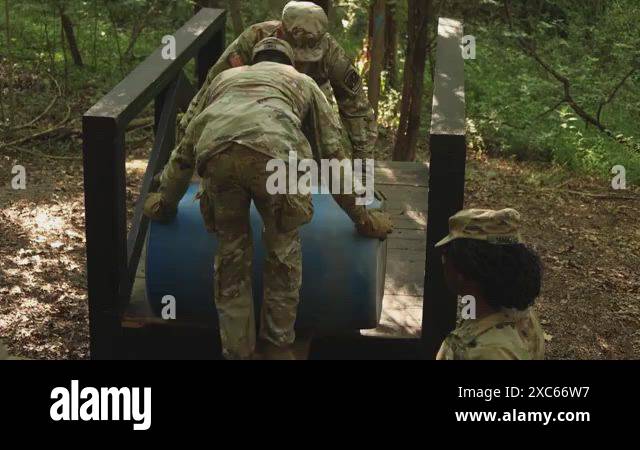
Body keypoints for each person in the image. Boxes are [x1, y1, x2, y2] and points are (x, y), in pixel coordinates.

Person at [143, 38, 393, 360]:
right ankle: (276, 347)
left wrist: (165, 202)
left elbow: (184, 151)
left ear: (253, 60)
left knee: (231, 255)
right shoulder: (302, 82)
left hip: (218, 154)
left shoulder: (223, 79)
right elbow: (332, 156)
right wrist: (362, 216)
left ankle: (237, 351)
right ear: (290, 62)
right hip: (277, 161)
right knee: (282, 252)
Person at [182, 1, 377, 161]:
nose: (300, 62)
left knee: (325, 146)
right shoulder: (254, 38)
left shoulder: (333, 56)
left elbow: (357, 110)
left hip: (309, 104)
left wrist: (364, 173)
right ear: (282, 31)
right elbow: (213, 84)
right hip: (257, 105)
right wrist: (185, 148)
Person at [435, 208, 545, 360]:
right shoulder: (509, 307)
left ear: (462, 270)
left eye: (446, 254)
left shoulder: (489, 352)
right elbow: (469, 321)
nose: (443, 262)